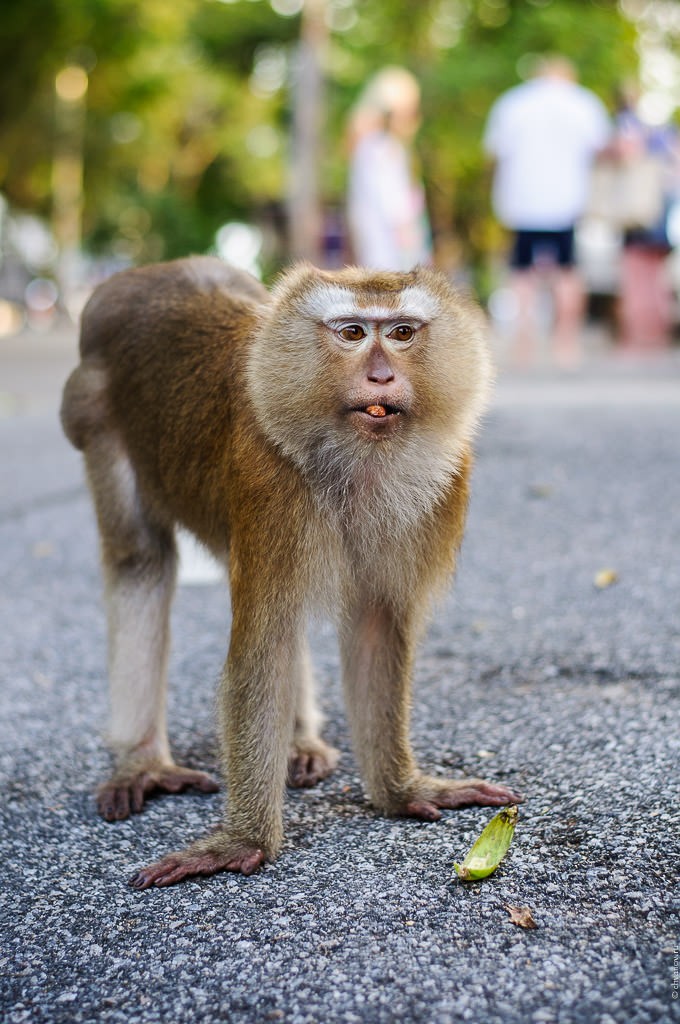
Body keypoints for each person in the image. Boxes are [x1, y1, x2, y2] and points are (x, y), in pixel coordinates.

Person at [484, 56, 611, 367]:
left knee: (521, 275)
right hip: (567, 202)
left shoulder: (512, 102)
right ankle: (565, 344)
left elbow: (494, 151)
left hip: (522, 202)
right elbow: (604, 147)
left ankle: (524, 345)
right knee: (568, 273)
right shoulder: (582, 102)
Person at [612, 86, 680, 351]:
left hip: (640, 208)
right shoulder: (668, 131)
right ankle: (657, 335)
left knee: (635, 275)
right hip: (664, 209)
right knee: (656, 277)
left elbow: (626, 154)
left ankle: (637, 337)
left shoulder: (628, 124)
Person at [346, 67, 432, 271]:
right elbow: (395, 205)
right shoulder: (383, 149)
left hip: (378, 245)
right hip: (393, 249)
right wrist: (410, 245)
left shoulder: (369, 146)